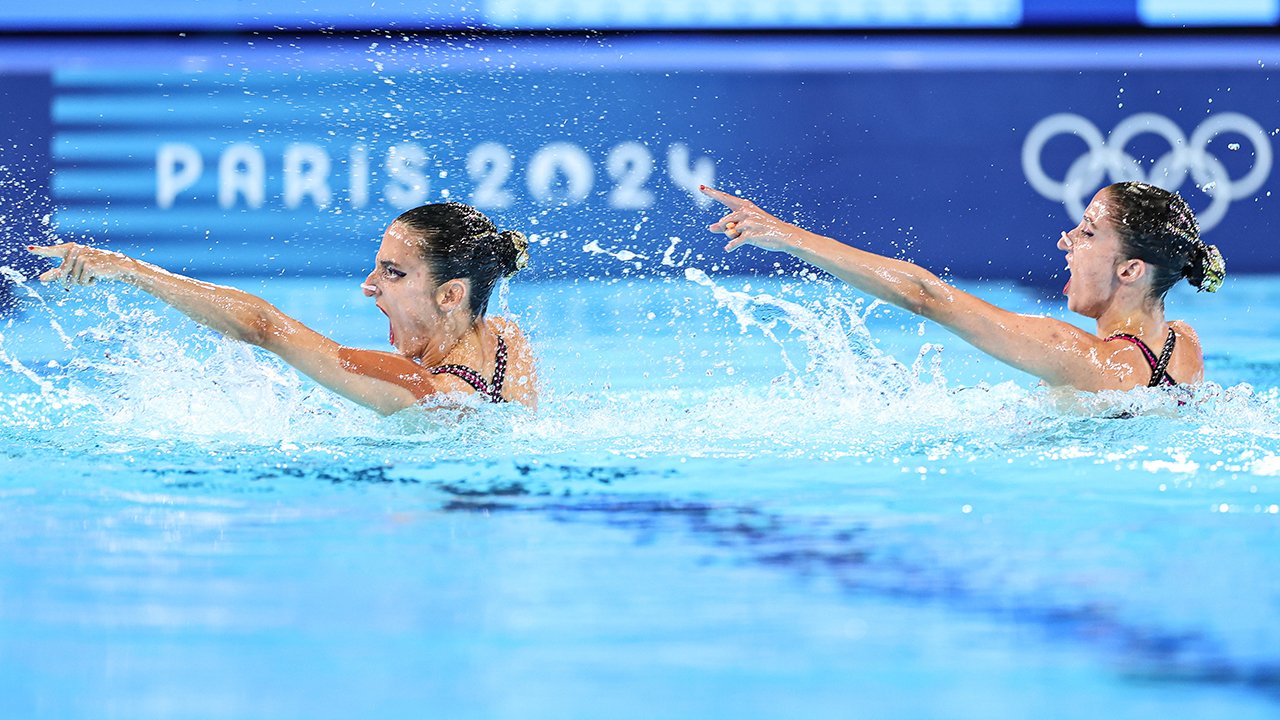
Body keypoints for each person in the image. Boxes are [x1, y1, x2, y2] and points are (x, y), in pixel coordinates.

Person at [703, 181, 1226, 392]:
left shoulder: (1077, 354)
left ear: (1131, 270)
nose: (1067, 242)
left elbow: (924, 295)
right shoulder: (1185, 343)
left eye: (1088, 233)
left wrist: (784, 235)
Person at [27, 202, 538, 414]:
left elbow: (264, 328)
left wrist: (131, 270)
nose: (368, 286)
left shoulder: (424, 391)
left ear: (451, 294)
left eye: (393, 273)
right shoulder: (507, 343)